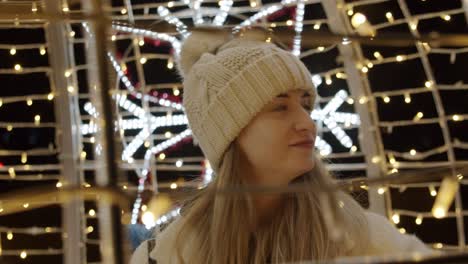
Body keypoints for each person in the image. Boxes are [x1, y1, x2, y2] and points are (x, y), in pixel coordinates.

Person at [130, 28, 435, 264]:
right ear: (230, 133)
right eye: (280, 108)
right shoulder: (163, 255)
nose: (307, 123)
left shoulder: (363, 240)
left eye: (306, 105)